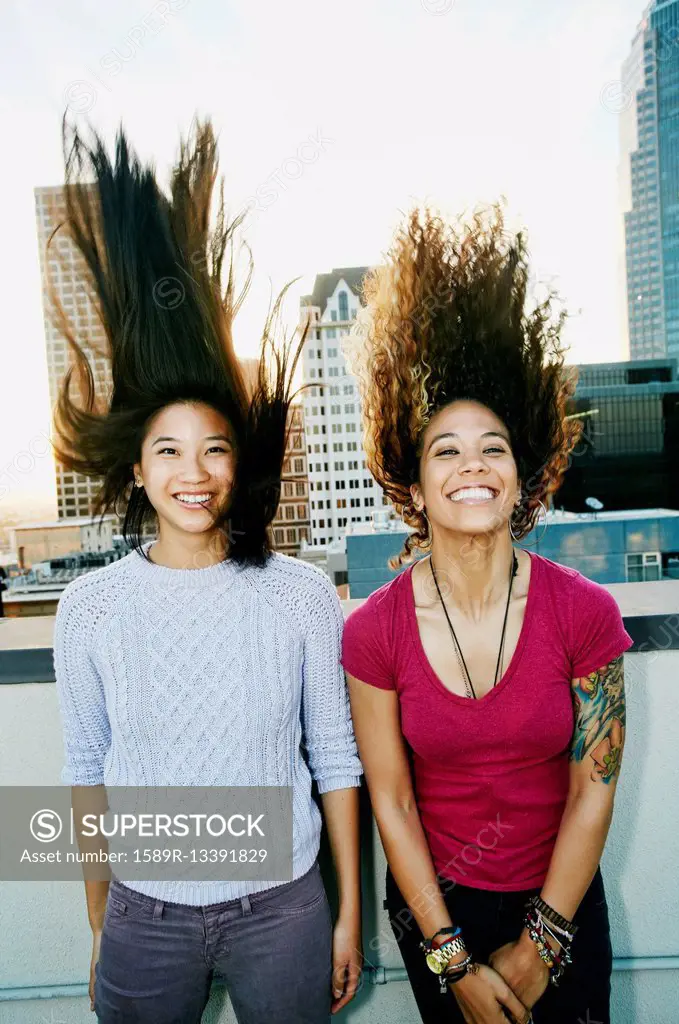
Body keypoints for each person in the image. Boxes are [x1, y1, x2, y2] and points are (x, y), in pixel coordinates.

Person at [50, 119, 363, 1024]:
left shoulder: (301, 593)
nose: (195, 473)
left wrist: (343, 916)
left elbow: (336, 760)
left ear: (239, 464)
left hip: (284, 908)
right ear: (137, 470)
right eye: (170, 452)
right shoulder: (90, 608)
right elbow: (85, 770)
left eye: (214, 450)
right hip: (146, 913)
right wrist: (104, 918)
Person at [341, 208, 632, 1024]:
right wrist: (451, 959)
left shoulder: (586, 614)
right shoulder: (372, 632)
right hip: (441, 914)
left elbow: (593, 791)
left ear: (522, 471)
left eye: (494, 446)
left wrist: (544, 943)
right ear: (413, 479)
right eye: (446, 448)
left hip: (566, 905)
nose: (472, 462)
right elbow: (391, 805)